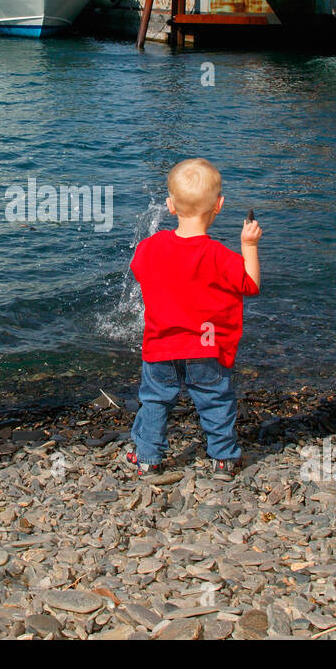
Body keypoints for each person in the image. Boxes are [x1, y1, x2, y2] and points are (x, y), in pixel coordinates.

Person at [127, 159, 261, 478]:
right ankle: (224, 458)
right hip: (207, 346)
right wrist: (249, 245)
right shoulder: (221, 256)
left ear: (170, 206)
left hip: (162, 346)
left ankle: (148, 458)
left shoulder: (149, 247)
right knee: (215, 401)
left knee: (155, 402)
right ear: (219, 205)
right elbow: (251, 285)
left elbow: (138, 270)